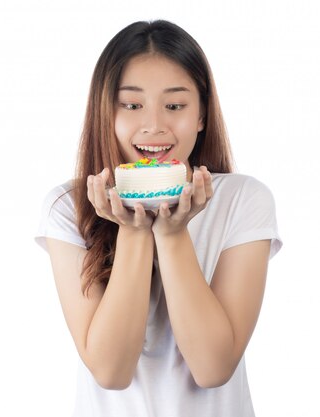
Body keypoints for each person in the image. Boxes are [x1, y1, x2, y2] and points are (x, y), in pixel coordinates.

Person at [35, 20, 282, 417]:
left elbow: (213, 368)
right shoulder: (69, 206)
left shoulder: (243, 200)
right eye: (132, 105)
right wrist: (133, 230)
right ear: (106, 113)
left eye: (175, 105)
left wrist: (171, 234)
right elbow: (111, 371)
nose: (154, 125)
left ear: (201, 115)